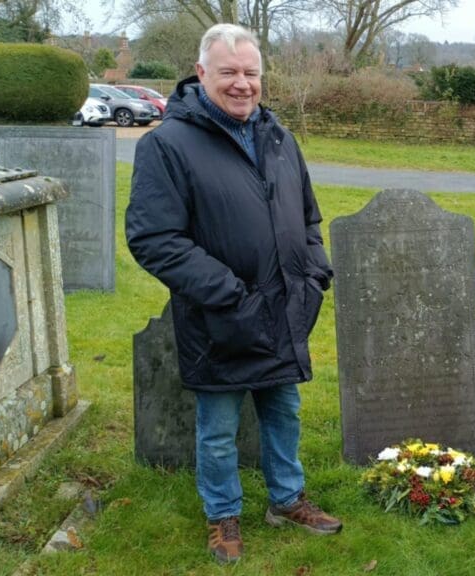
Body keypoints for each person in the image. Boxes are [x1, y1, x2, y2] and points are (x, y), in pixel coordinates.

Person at [125, 23, 340, 565]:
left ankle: (287, 500)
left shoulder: (279, 138)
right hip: (219, 318)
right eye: (229, 73)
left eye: (251, 73)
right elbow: (154, 239)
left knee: (283, 413)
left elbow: (308, 217)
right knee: (219, 430)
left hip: (285, 309)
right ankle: (223, 515)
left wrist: (314, 274)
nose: (242, 84)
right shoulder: (167, 145)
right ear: (201, 74)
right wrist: (231, 294)